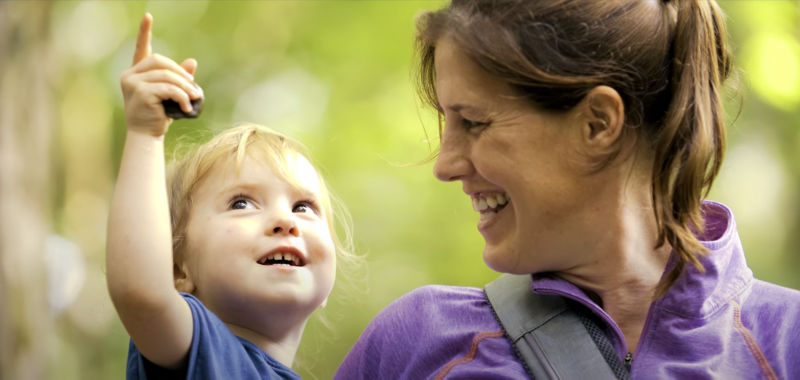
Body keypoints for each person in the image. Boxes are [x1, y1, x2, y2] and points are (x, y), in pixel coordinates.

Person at [335, 0, 800, 379]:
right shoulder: (416, 343)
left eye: (474, 122)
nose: (445, 165)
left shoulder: (788, 343)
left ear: (597, 123)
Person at [107, 13, 356, 379]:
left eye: (303, 207)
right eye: (241, 203)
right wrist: (145, 133)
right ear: (177, 269)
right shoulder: (202, 349)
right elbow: (142, 294)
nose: (285, 221)